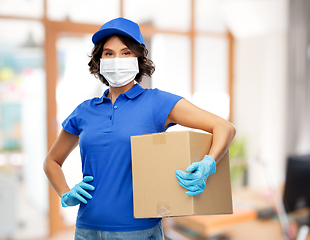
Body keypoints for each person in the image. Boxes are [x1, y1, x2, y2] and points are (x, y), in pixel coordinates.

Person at [43, 17, 236, 240]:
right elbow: (51, 161)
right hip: (87, 230)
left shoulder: (157, 103)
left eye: (125, 52)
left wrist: (208, 162)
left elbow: (224, 127)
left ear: (138, 58)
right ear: (99, 60)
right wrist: (65, 193)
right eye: (109, 53)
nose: (117, 59)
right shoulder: (85, 111)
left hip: (138, 231)